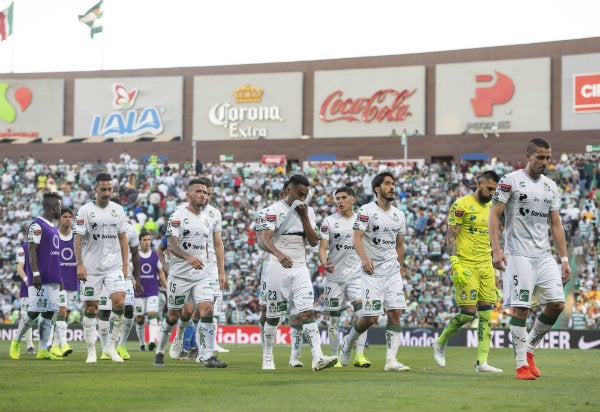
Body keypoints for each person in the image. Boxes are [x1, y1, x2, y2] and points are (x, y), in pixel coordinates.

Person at [488, 138, 571, 380]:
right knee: (521, 307)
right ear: (528, 156)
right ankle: (521, 365)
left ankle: (530, 350)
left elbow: (555, 223)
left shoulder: (550, 186)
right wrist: (496, 249)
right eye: (540, 157)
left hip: (543, 255)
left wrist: (564, 258)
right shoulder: (510, 181)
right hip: (518, 253)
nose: (545, 162)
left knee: (557, 304)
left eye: (548, 157)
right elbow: (494, 216)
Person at [258, 174, 337, 371]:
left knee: (307, 310)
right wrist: (279, 254)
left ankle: (317, 356)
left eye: (305, 195)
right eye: (299, 194)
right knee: (273, 315)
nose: (303, 198)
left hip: (300, 264)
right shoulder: (272, 211)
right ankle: (267, 356)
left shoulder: (308, 212)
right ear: (288, 191)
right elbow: (264, 240)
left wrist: (304, 218)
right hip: (277, 263)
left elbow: (312, 241)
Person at [433, 170, 503, 372]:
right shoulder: (461, 205)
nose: (492, 193)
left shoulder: (494, 208)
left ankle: (482, 362)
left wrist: (496, 275)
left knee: (486, 313)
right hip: (466, 265)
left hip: (486, 266)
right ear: (478, 183)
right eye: (489, 188)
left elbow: (493, 240)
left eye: (495, 190)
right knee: (467, 314)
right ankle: (440, 342)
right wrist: (455, 262)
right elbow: (451, 236)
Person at [153, 178, 227, 368]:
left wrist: (219, 270)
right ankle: (160, 350)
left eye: (205, 192)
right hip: (180, 275)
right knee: (173, 315)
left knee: (207, 309)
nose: (203, 195)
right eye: (198, 192)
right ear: (188, 195)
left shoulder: (209, 218)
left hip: (201, 274)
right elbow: (170, 243)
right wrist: (187, 257)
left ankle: (208, 355)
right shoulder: (177, 215)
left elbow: (214, 244)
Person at [339, 172, 410, 371]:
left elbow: (400, 244)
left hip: (392, 271)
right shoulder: (366, 211)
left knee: (395, 312)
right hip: (372, 272)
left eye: (393, 184)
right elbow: (357, 238)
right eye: (387, 184)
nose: (392, 187)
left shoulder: (399, 214)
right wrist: (365, 259)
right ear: (377, 189)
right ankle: (348, 342)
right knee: (371, 318)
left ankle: (391, 361)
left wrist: (400, 267)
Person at [75, 173, 130, 363]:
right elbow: (78, 239)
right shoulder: (84, 211)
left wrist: (125, 264)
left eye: (110, 189)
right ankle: (91, 350)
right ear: (95, 190)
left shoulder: (118, 210)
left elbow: (123, 238)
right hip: (91, 267)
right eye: (103, 189)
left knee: (120, 301)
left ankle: (110, 346)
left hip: (113, 266)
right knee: (91, 306)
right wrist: (79, 263)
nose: (107, 193)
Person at [318, 186, 370, 368]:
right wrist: (324, 263)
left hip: (357, 277)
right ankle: (334, 357)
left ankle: (360, 355)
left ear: (353, 200)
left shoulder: (362, 220)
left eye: (343, 197)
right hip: (334, 278)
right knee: (333, 320)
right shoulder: (329, 221)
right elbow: (322, 248)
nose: (339, 201)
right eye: (337, 198)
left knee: (363, 314)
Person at [10, 192, 63, 360]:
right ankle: (16, 341)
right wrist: (35, 273)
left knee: (49, 313)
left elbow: (54, 256)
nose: (60, 210)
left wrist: (59, 278)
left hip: (53, 277)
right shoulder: (36, 225)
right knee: (34, 311)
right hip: (40, 278)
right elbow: (31, 249)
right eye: (59, 207)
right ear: (54, 207)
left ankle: (42, 349)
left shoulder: (53, 228)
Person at [96, 205, 141, 361]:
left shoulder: (130, 230)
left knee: (127, 308)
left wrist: (138, 278)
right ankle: (105, 349)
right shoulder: (100, 227)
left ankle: (120, 345)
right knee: (104, 312)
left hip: (123, 274)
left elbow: (135, 255)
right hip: (102, 273)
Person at [50, 207, 78, 358]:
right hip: (58, 281)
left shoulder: (76, 236)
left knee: (66, 315)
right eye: (65, 217)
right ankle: (65, 344)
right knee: (61, 311)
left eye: (70, 217)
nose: (68, 219)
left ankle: (54, 346)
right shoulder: (54, 235)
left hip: (73, 281)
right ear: (60, 219)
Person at [134, 231, 167, 351]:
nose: (147, 242)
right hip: (138, 293)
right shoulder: (135, 256)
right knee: (140, 318)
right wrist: (134, 283)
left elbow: (161, 273)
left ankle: (152, 341)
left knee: (153, 315)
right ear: (140, 242)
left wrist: (167, 287)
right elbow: (131, 273)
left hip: (152, 291)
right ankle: (142, 343)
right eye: (144, 240)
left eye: (148, 240)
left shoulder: (155, 255)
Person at [14, 243, 37, 356]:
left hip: (46, 283)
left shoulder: (46, 245)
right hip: (28, 286)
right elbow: (19, 267)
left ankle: (47, 345)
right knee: (27, 316)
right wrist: (26, 279)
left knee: (48, 314)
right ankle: (30, 345)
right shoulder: (22, 247)